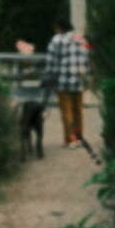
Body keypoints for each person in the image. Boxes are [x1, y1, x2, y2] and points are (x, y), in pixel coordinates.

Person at [41, 17, 89, 148]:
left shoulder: (57, 40)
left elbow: (51, 62)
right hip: (78, 80)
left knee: (66, 111)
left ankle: (70, 139)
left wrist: (47, 78)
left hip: (62, 81)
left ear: (59, 27)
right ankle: (79, 138)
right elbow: (87, 59)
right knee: (78, 110)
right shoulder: (80, 39)